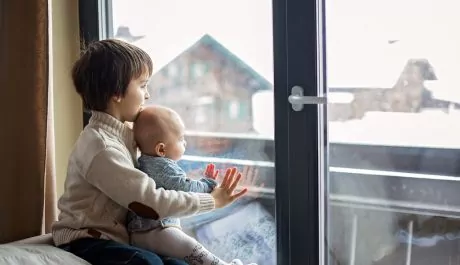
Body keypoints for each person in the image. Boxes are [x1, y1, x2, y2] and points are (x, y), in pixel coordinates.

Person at [52, 39, 248, 265]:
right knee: (147, 262)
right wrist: (210, 200)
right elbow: (150, 203)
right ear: (117, 92)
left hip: (116, 239)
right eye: (143, 85)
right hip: (85, 239)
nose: (147, 95)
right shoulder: (101, 147)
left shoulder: (125, 136)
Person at [128, 105, 257, 265]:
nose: (185, 143)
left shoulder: (150, 162)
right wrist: (209, 185)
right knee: (192, 249)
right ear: (161, 149)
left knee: (189, 250)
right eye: (181, 139)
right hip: (152, 230)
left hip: (149, 230)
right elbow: (185, 187)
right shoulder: (162, 166)